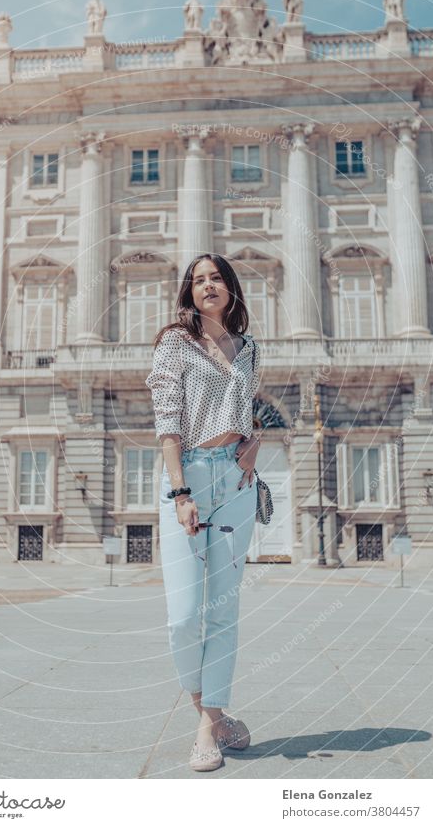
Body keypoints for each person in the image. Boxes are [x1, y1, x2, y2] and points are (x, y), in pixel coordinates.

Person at [145, 253, 261, 772]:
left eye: (216, 278)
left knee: (223, 612)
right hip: (188, 478)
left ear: (230, 288)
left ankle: (205, 725)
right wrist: (180, 492)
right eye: (198, 280)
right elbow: (167, 421)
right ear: (188, 293)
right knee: (183, 616)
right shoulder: (175, 343)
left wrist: (255, 442)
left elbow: (247, 410)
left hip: (236, 483)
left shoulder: (249, 348)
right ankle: (212, 715)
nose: (208, 285)